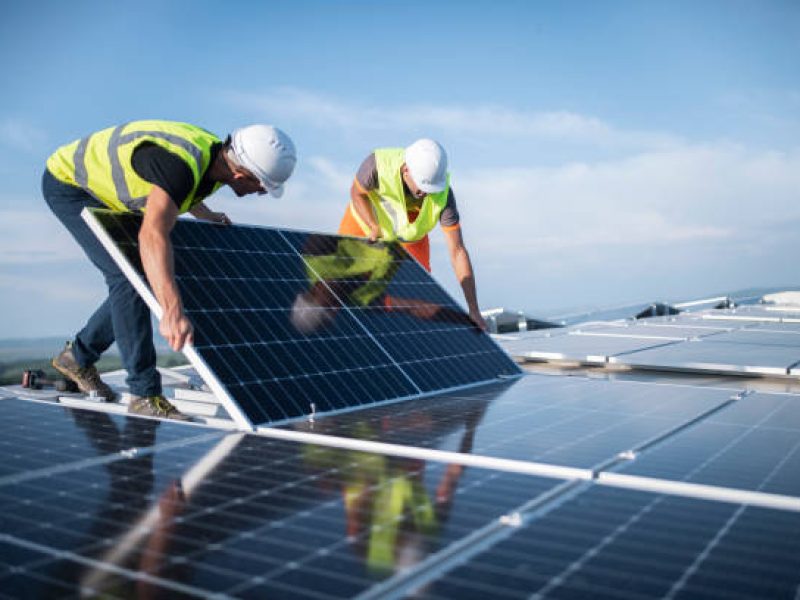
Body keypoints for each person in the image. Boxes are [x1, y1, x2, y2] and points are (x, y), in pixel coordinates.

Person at [44, 120, 296, 420]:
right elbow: (153, 233)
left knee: (150, 275)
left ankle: (78, 357)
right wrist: (172, 312)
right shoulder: (181, 164)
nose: (262, 193)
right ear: (242, 172)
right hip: (71, 185)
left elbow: (182, 189)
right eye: (262, 185)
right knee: (129, 278)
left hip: (110, 194)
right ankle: (144, 394)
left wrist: (206, 214)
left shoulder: (219, 159)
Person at [338, 139, 486, 329]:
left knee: (417, 295)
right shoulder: (376, 165)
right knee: (343, 287)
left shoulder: (444, 196)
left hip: (411, 236)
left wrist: (473, 308)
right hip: (365, 227)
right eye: (423, 187)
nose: (426, 194)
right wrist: (373, 225)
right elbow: (357, 193)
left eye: (431, 189)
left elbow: (457, 252)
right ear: (406, 170)